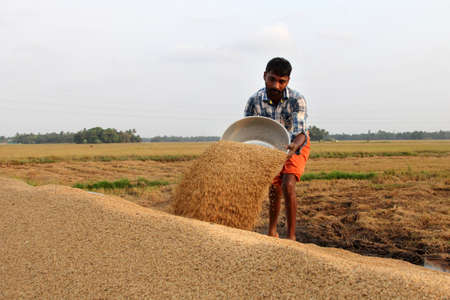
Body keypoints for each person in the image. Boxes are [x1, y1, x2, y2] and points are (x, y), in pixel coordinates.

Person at [244, 57, 310, 241]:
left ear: (287, 81)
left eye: (282, 81)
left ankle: (291, 237)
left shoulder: (297, 100)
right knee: (274, 189)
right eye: (272, 79)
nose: (276, 85)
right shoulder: (254, 101)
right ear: (265, 76)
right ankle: (272, 231)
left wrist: (294, 146)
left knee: (288, 184)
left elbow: (301, 132)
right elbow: (249, 130)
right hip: (269, 146)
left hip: (295, 143)